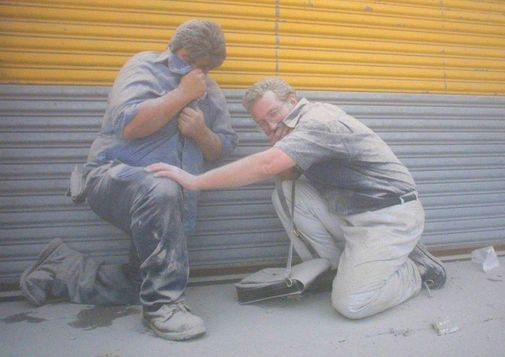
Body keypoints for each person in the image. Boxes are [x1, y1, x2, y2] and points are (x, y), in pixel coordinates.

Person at [145, 77, 446, 320]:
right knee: (288, 193)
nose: (270, 126)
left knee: (351, 304)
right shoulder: (295, 129)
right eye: (262, 123)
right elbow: (285, 177)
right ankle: (337, 269)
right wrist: (283, 146)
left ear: (292, 101)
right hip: (353, 213)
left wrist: (194, 181)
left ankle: (415, 268)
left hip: (388, 215)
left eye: (274, 114)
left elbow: (264, 166)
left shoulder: (319, 122)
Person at [19, 19, 238, 341]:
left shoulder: (209, 90)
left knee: (139, 282)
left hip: (167, 201)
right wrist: (181, 95)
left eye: (206, 68)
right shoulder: (144, 66)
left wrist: (202, 133)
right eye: (193, 63)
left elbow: (223, 146)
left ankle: (58, 268)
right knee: (162, 184)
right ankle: (164, 306)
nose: (199, 73)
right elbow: (130, 126)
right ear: (181, 51)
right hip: (111, 178)